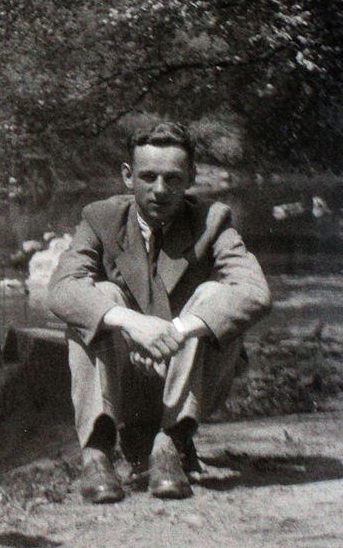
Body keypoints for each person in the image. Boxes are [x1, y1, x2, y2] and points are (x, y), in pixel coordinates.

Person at [48, 121, 272, 503]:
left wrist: (180, 328)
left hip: (189, 378)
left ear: (191, 179)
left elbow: (254, 291)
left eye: (173, 178)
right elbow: (62, 289)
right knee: (97, 296)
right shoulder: (100, 219)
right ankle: (97, 454)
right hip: (122, 376)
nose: (160, 190)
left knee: (212, 293)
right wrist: (131, 321)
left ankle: (170, 445)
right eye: (148, 176)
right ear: (127, 176)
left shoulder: (212, 222)